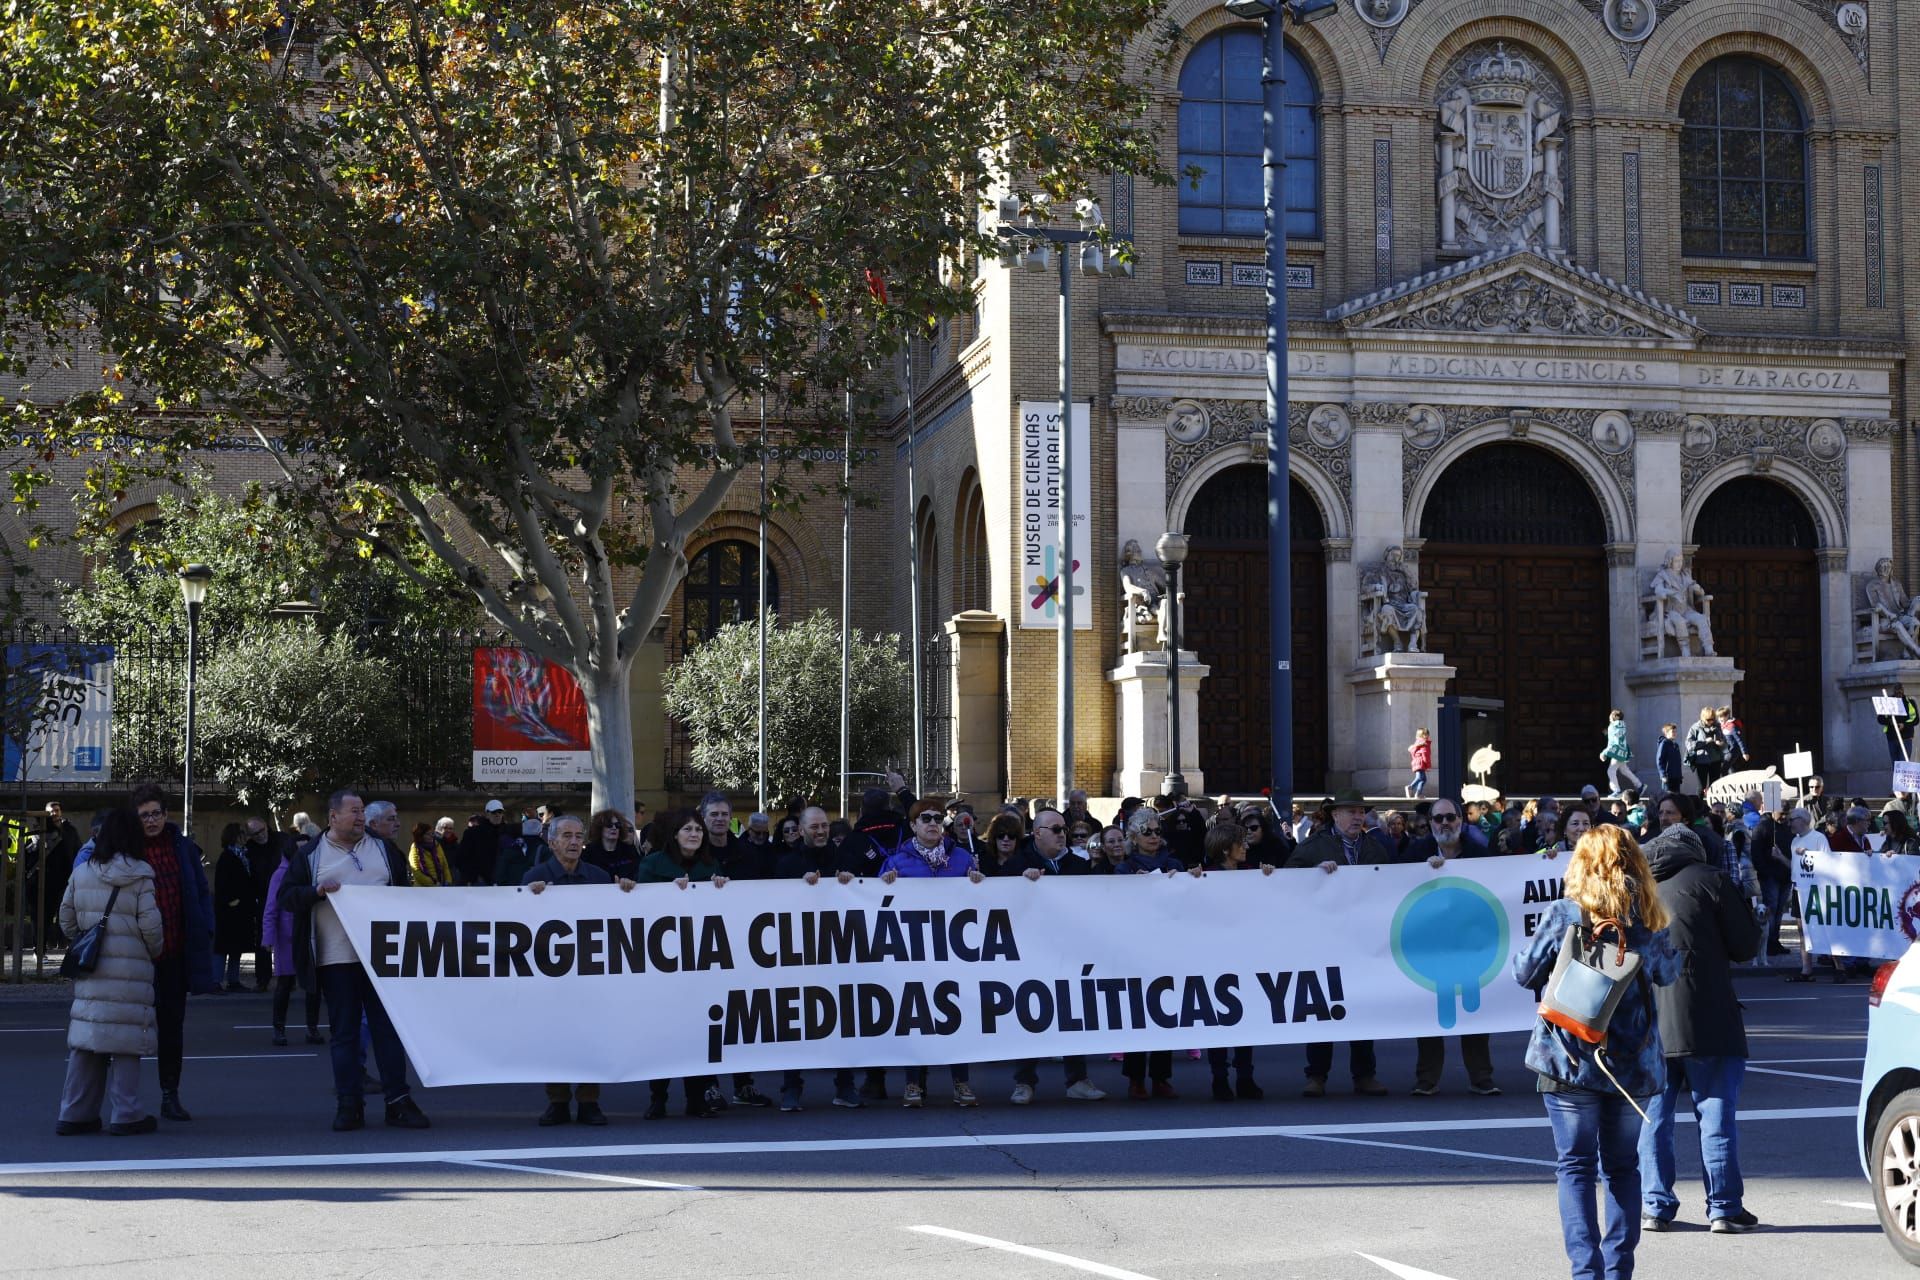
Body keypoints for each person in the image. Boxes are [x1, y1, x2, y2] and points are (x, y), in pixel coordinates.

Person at [1514, 825, 1678, 1280]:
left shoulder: (1566, 912)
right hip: (1632, 1065)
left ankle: (1586, 1272)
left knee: (1575, 1167)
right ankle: (1618, 1268)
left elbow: (1525, 973)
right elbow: (1667, 974)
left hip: (1568, 1059)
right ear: (1635, 865)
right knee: (1623, 1168)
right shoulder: (1647, 918)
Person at [276, 789, 429, 1132]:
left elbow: (405, 896)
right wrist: (314, 893)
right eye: (354, 812)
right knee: (344, 1034)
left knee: (387, 1032)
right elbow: (287, 897)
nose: (360, 817)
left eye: (362, 812)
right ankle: (349, 1104)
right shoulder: (312, 856)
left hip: (382, 959)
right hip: (336, 959)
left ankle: (398, 1102)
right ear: (333, 817)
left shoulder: (385, 850)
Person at [1637, 818, 1762, 1235]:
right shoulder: (1712, 879)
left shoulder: (1642, 888)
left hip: (1651, 1019)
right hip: (1709, 1013)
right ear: (1696, 850)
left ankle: (1655, 1205)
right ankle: (1724, 1207)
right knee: (1715, 1113)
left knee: (1655, 1118)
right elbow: (1745, 946)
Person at [88, 783, 218, 1123]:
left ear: (166, 814)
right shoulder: (125, 849)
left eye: (156, 813)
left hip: (174, 952)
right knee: (124, 1030)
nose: (151, 821)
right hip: (135, 957)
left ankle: (169, 1095)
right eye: (144, 815)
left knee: (172, 1027)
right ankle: (117, 1104)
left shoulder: (183, 848)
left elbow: (201, 892)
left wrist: (205, 927)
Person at [54, 806, 165, 1137]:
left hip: (92, 968)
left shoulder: (83, 871)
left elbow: (66, 920)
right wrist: (151, 951)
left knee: (87, 1041)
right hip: (130, 971)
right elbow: (152, 928)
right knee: (126, 1041)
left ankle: (74, 1113)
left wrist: (86, 940)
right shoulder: (141, 874)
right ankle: (126, 1114)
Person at [524, 815, 638, 1126]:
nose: (574, 842)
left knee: (591, 1036)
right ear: (552, 842)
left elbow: (622, 915)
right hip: (552, 975)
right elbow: (518, 922)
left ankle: (589, 1101)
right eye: (567, 836)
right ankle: (557, 1101)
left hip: (591, 973)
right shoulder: (534, 877)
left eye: (578, 836)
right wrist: (526, 898)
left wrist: (626, 890)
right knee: (555, 1037)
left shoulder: (600, 878)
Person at [1286, 789, 1397, 1098]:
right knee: (1323, 1007)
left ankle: (1364, 1074)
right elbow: (1287, 879)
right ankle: (1317, 1074)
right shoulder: (1313, 847)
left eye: (1361, 812)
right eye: (1351, 811)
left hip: (1363, 941)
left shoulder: (1376, 848)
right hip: (1325, 941)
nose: (1358, 816)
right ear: (1335, 815)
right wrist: (1314, 875)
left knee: (1362, 1006)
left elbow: (1393, 884)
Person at [880, 800, 984, 1108]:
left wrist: (978, 882)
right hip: (913, 953)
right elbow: (876, 903)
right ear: (913, 825)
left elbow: (981, 902)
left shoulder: (962, 857)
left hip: (953, 952)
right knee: (916, 1016)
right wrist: (883, 884)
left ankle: (961, 1082)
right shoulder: (897, 861)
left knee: (956, 1015)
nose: (933, 822)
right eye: (925, 818)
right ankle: (913, 1082)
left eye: (938, 818)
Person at [1001, 806, 1105, 1104]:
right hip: (1031, 952)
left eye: (1064, 829)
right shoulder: (1016, 866)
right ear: (1037, 833)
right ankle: (1024, 1082)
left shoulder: (1079, 865)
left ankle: (1078, 1079)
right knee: (1031, 1014)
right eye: (1057, 829)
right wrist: (1020, 883)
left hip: (1070, 952)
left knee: (1073, 1014)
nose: (1064, 834)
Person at [1405, 797, 1500, 1098]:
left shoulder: (1479, 855)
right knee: (1432, 1013)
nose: (1444, 823)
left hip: (1470, 945)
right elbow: (1396, 891)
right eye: (1438, 819)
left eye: (1450, 817)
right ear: (1430, 823)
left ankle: (1481, 1077)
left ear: (1461, 820)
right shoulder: (1414, 855)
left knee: (1474, 1011)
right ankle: (1427, 1079)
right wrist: (1425, 872)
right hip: (1431, 947)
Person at [637, 809, 728, 1118]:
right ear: (675, 834)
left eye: (698, 830)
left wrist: (721, 887)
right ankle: (658, 1097)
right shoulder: (652, 866)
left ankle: (696, 1097)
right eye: (687, 829)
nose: (694, 834)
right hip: (663, 962)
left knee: (696, 1033)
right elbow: (639, 907)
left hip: (700, 963)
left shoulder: (710, 865)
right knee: (662, 1031)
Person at [771, 805, 863, 1111]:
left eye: (824, 825)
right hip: (798, 956)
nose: (821, 831)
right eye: (815, 827)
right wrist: (799, 882)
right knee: (794, 1022)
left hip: (838, 954)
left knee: (843, 1019)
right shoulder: (786, 863)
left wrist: (851, 882)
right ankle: (791, 1087)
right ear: (801, 830)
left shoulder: (844, 859)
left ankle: (845, 1086)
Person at [1202, 821, 1269, 1101]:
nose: (1246, 846)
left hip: (1245, 957)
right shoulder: (1205, 877)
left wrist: (1271, 879)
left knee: (1246, 1019)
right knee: (1220, 1020)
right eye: (1240, 842)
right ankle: (1219, 1077)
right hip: (1215, 959)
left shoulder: (1251, 874)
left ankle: (1245, 1077)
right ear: (1225, 848)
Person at [261, 850, 323, 1048]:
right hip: (287, 937)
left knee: (313, 986)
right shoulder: (281, 874)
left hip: (310, 933)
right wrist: (268, 938)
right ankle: (279, 1029)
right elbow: (271, 907)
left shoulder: (314, 870)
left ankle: (312, 1028)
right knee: (285, 984)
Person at [213, 822, 261, 992]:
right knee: (223, 947)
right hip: (230, 911)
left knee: (237, 946)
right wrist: (233, 901)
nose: (245, 837)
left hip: (243, 911)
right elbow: (222, 885)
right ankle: (216, 981)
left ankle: (233, 980)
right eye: (241, 833)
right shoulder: (227, 857)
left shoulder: (244, 855)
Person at [242, 817, 280, 989]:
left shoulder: (281, 840)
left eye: (261, 830)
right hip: (263, 896)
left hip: (284, 894)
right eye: (254, 834)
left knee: (287, 936)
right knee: (264, 938)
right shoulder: (249, 849)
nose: (259, 835)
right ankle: (262, 979)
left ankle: (288, 977)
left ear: (266, 826)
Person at [456, 799, 508, 884]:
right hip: (479, 880)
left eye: (500, 812)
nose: (497, 815)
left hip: (504, 880)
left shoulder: (508, 832)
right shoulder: (472, 833)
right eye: (494, 812)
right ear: (487, 814)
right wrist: (472, 876)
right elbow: (462, 857)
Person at [584, 809, 642, 881]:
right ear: (600, 828)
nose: (614, 828)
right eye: (609, 825)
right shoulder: (589, 852)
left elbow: (638, 874)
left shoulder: (629, 851)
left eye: (617, 825)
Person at [1684, 707, 1726, 796]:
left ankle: (1714, 807)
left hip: (1716, 760)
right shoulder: (1696, 727)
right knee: (1701, 787)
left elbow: (1725, 743)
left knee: (1715, 786)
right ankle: (1700, 807)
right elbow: (1689, 744)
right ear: (1703, 717)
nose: (1711, 721)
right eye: (1708, 719)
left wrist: (1721, 743)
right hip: (1701, 761)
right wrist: (1705, 742)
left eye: (1712, 719)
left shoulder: (1717, 726)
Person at [1599, 710, 1641, 797]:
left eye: (1610, 715)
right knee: (1624, 770)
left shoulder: (1613, 727)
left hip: (1617, 752)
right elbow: (1618, 738)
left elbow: (1614, 742)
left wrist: (1604, 753)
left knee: (1611, 770)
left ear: (1613, 717)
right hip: (1623, 751)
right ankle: (1639, 785)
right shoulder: (1621, 726)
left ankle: (1617, 790)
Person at [407, 821, 454, 887]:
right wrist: (433, 884)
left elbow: (445, 865)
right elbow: (417, 872)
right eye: (427, 834)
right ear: (420, 836)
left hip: (440, 886)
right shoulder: (415, 848)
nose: (431, 836)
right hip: (422, 889)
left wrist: (448, 881)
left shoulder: (437, 845)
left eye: (432, 833)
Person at [1655, 724, 1683, 796]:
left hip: (1676, 777)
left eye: (1675, 732)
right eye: (1672, 732)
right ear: (1666, 733)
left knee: (1677, 798)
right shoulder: (1664, 743)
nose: (1675, 733)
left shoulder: (1675, 745)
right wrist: (1663, 775)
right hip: (1668, 777)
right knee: (1667, 797)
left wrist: (1679, 775)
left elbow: (1678, 762)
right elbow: (1659, 760)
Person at [1407, 727, 1432, 799]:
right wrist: (1428, 766)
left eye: (1427, 734)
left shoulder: (1417, 743)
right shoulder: (1424, 743)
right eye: (1425, 734)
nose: (1427, 736)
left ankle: (1418, 794)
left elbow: (1413, 753)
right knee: (1420, 777)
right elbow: (1425, 755)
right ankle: (1410, 787)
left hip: (1417, 762)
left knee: (1423, 779)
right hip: (1421, 762)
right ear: (1422, 735)